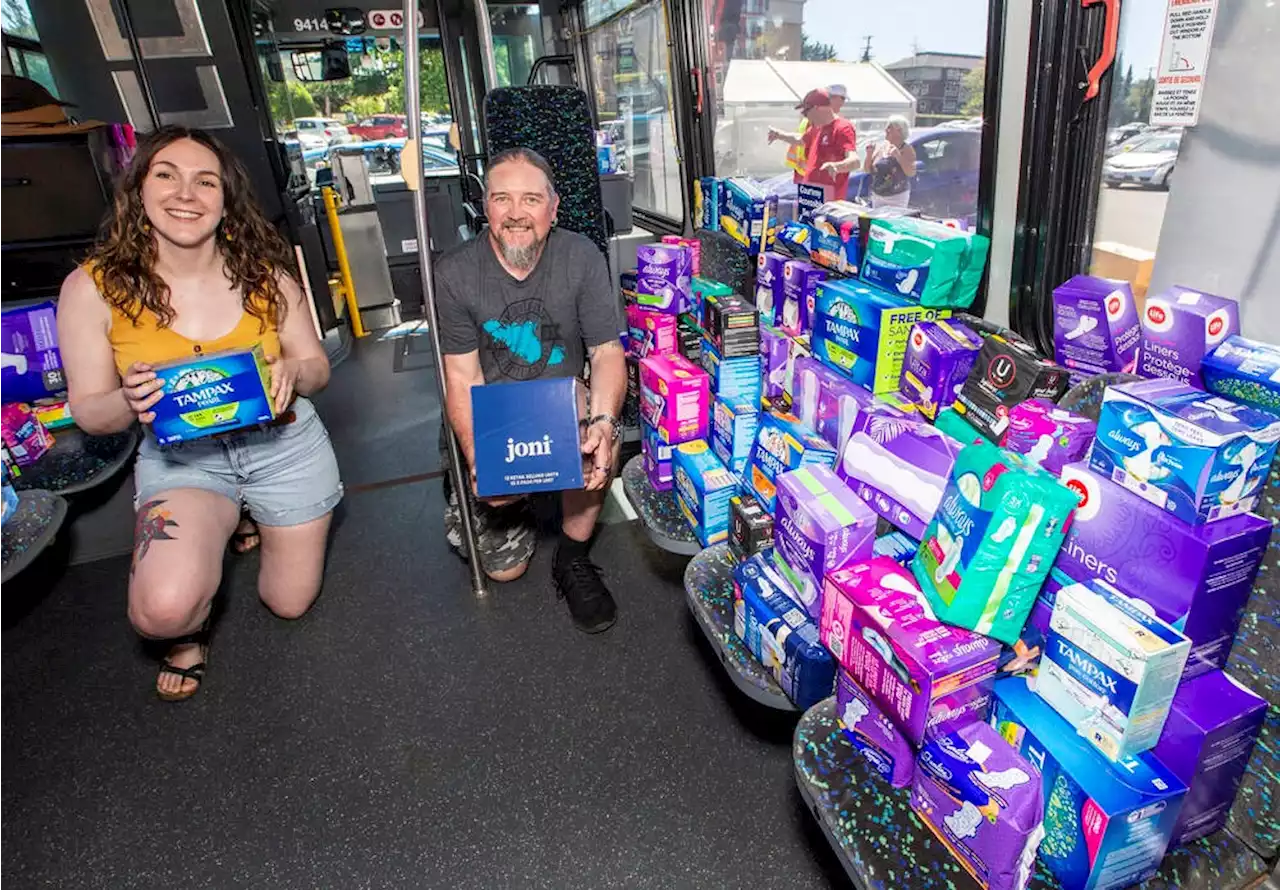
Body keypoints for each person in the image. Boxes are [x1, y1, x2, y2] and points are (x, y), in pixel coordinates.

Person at [57, 126, 342, 701]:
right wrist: (126, 401)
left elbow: (317, 367)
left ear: (225, 199)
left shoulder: (268, 274)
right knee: (164, 610)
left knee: (289, 604)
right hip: (184, 460)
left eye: (204, 181)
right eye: (166, 175)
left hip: (282, 447)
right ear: (138, 190)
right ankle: (191, 633)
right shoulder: (92, 288)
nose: (186, 193)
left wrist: (294, 373)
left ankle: (246, 518)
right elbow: (90, 412)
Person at [434, 147, 626, 634]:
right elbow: (461, 378)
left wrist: (603, 424)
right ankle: (517, 493)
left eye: (531, 199)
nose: (516, 214)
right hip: (492, 411)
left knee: (604, 428)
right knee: (506, 570)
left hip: (559, 403)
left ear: (553, 208)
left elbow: (605, 353)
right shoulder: (454, 273)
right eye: (502, 198)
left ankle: (573, 556)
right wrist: (481, 458)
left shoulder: (581, 256)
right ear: (485, 207)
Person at [768, 88, 859, 202]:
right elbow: (801, 140)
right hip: (809, 195)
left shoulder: (843, 128)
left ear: (817, 108)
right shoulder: (817, 127)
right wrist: (779, 135)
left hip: (828, 200)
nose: (805, 117)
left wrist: (837, 166)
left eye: (806, 112)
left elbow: (855, 161)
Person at [863, 115, 917, 209]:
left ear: (899, 131)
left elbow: (911, 172)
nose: (886, 130)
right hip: (878, 196)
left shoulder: (907, 149)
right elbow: (867, 170)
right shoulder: (881, 147)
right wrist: (869, 154)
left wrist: (898, 156)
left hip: (897, 197)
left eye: (889, 127)